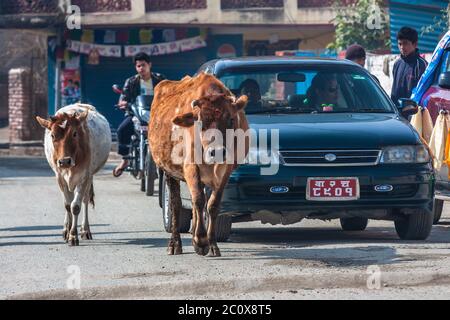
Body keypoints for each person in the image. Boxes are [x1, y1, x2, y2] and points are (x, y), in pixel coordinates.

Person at [113, 52, 165, 177]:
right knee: (122, 130)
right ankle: (125, 160)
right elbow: (123, 97)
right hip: (136, 114)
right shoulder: (131, 81)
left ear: (149, 65)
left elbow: (168, 94)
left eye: (143, 65)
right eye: (138, 66)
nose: (141, 68)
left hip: (157, 115)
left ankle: (166, 159)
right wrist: (123, 103)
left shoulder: (160, 79)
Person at [391, 26, 428, 106]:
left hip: (414, 113)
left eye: (405, 43)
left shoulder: (422, 65)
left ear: (415, 44)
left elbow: (424, 92)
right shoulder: (397, 64)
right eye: (399, 44)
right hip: (397, 111)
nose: (402, 47)